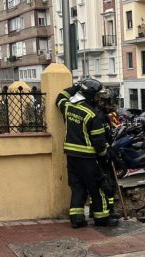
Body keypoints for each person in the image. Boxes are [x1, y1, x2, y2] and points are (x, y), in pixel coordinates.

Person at [56, 79, 118, 228]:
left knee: (77, 187)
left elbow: (60, 98)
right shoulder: (92, 115)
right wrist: (106, 156)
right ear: (91, 95)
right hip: (88, 158)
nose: (98, 99)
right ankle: (102, 218)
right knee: (98, 187)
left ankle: (77, 219)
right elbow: (99, 143)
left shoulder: (69, 107)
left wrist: (75, 87)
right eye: (97, 96)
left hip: (71, 156)